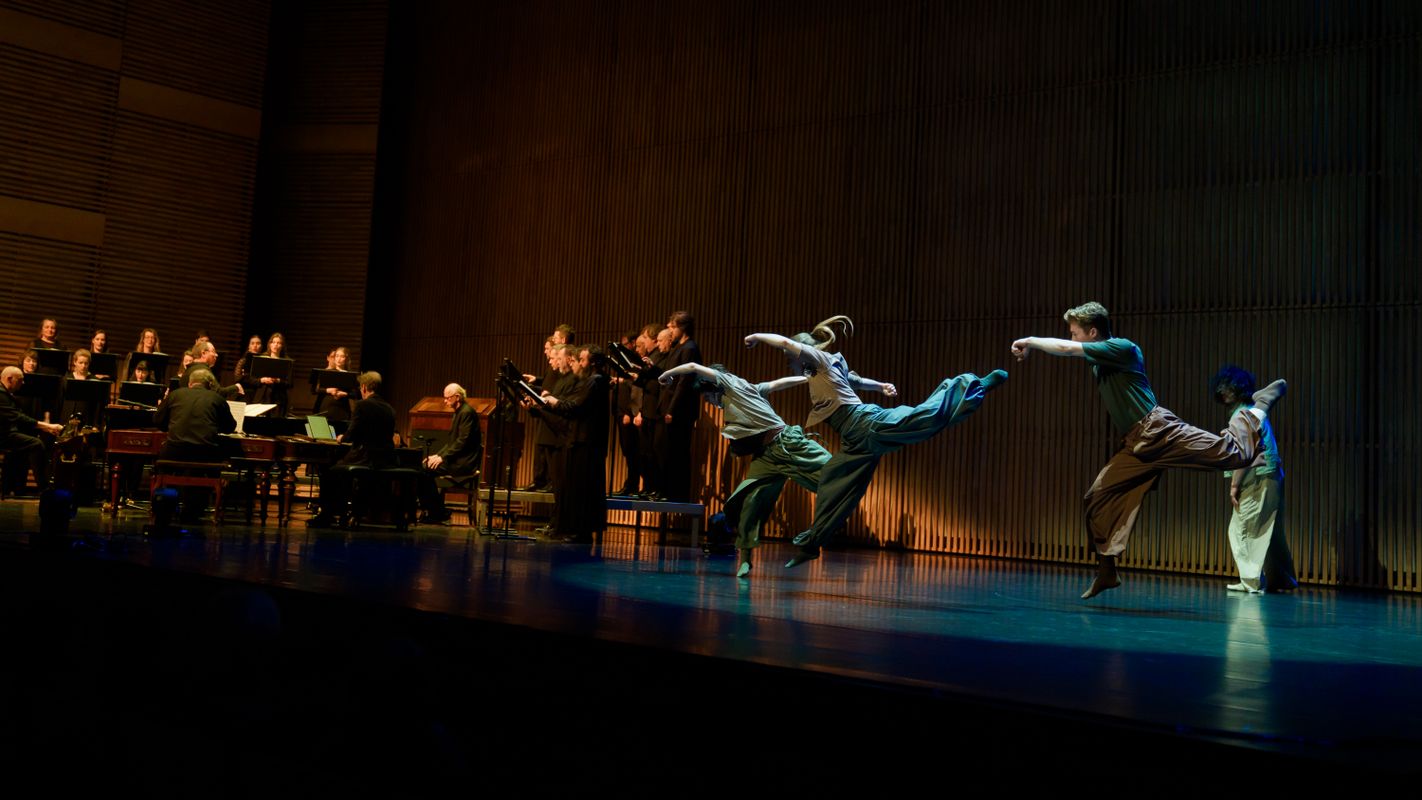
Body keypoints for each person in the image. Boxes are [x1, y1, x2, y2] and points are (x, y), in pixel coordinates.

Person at [1010, 302, 1285, 599]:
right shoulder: (1098, 359)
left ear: (1093, 332)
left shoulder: (1122, 348)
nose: (1072, 338)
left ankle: (1258, 406)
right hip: (1135, 444)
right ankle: (1107, 571)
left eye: (1075, 333)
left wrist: (1030, 341)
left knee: (1232, 454)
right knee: (1097, 497)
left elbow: (1066, 349)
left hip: (1157, 430)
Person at [748, 315, 1007, 568]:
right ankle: (811, 545)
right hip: (854, 442)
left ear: (801, 355)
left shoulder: (821, 359)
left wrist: (757, 336)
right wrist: (881, 386)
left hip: (864, 423)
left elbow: (785, 343)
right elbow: (857, 382)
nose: (788, 364)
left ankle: (973, 386)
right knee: (833, 483)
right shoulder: (822, 372)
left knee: (919, 420)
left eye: (789, 359)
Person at [660, 361, 827, 577]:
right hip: (765, 456)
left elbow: (692, 366)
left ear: (715, 386)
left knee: (830, 473)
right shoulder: (750, 389)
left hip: (787, 443)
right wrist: (806, 378)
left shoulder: (731, 384)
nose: (709, 402)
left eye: (708, 397)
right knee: (750, 503)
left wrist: (666, 374)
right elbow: (777, 384)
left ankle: (820, 530)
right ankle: (746, 558)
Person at [1211, 365, 1296, 594]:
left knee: (1242, 529)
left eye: (1228, 387)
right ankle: (1282, 578)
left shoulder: (1242, 415)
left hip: (1257, 477)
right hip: (1270, 475)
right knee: (1269, 529)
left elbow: (1244, 453)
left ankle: (1251, 581)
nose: (1222, 391)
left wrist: (1234, 486)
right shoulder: (1251, 412)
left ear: (1238, 389)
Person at [534, 345, 609, 542]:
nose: (579, 363)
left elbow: (576, 406)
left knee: (582, 488)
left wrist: (553, 401)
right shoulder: (592, 380)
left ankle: (581, 531)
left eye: (582, 360)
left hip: (587, 442)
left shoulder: (596, 381)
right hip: (583, 440)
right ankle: (578, 530)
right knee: (578, 488)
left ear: (592, 363)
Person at [308, 372, 395, 527]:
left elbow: (351, 434)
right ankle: (344, 513)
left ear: (364, 387)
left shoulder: (362, 405)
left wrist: (342, 437)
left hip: (365, 457)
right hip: (385, 459)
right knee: (340, 468)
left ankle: (328, 514)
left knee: (329, 471)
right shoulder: (389, 408)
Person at [416, 383, 483, 524]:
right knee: (423, 469)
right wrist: (437, 455)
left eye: (448, 398)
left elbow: (462, 442)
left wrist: (442, 457)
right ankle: (438, 511)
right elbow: (451, 442)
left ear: (457, 397)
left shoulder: (466, 412)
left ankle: (437, 513)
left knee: (424, 471)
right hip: (457, 458)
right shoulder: (459, 412)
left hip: (463, 462)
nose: (445, 401)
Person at [657, 311, 702, 502]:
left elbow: (684, 382)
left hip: (680, 410)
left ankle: (677, 494)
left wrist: (671, 410)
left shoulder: (690, 348)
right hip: (671, 406)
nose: (670, 330)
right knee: (668, 451)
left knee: (678, 452)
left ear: (682, 328)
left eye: (673, 327)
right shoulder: (679, 347)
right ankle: (668, 491)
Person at [0, 366, 64, 493]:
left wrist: (45, 428)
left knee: (26, 443)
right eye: (20, 380)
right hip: (3, 435)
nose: (23, 383)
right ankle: (45, 488)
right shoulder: (1, 395)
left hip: (6, 432)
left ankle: (14, 487)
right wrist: (48, 426)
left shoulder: (5, 393)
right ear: (9, 379)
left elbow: (18, 417)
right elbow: (18, 417)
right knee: (36, 444)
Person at [250, 333, 290, 416]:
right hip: (262, 397)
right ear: (270, 344)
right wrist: (262, 380)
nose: (275, 345)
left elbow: (290, 383)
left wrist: (278, 380)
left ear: (282, 346)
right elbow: (252, 379)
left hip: (278, 399)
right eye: (273, 342)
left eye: (278, 343)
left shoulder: (287, 361)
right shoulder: (262, 358)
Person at [311, 346, 354, 422]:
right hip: (326, 407)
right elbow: (314, 390)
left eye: (342, 356)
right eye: (337, 356)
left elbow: (356, 394)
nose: (339, 359)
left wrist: (345, 394)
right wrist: (328, 390)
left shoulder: (350, 375)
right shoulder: (327, 372)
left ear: (346, 359)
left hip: (342, 409)